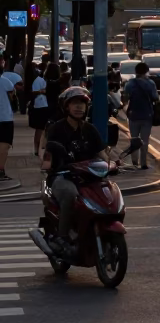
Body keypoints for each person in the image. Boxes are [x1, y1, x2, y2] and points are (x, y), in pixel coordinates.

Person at [44, 88, 104, 242]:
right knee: (70, 194)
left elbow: (102, 153)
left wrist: (112, 164)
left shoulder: (90, 129)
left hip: (89, 176)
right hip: (63, 176)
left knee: (108, 194)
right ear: (66, 107)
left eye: (82, 104)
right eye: (75, 104)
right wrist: (48, 164)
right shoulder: (56, 129)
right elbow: (47, 154)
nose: (79, 107)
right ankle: (62, 237)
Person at [121, 62, 158, 169]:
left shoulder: (130, 84)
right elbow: (155, 97)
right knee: (145, 140)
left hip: (133, 114)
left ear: (136, 71)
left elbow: (125, 99)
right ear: (146, 71)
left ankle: (134, 162)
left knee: (134, 139)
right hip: (147, 114)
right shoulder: (150, 83)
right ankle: (143, 163)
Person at [0, 60, 19, 183]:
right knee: (4, 144)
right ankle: (1, 170)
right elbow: (13, 98)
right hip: (5, 117)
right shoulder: (6, 82)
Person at [28, 68, 49, 156]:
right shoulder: (39, 80)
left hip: (44, 106)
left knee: (43, 128)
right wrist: (42, 91)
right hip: (41, 106)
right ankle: (37, 148)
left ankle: (40, 148)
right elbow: (34, 92)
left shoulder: (45, 80)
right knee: (40, 128)